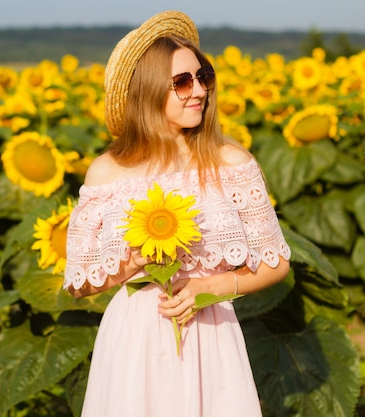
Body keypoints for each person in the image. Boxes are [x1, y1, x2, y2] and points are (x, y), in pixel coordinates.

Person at [63, 10, 291, 417]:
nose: (199, 90)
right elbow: (79, 282)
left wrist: (216, 288)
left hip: (211, 334)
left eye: (203, 77)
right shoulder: (106, 171)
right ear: (149, 90)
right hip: (135, 339)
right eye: (183, 82)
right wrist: (135, 258)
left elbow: (277, 262)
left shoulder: (231, 162)